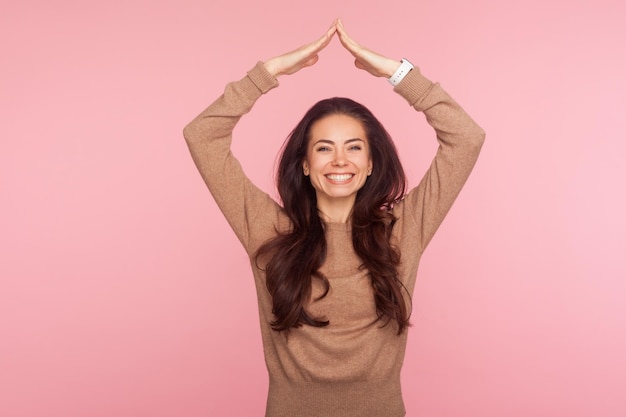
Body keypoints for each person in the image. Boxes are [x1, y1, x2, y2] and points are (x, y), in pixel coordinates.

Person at [183, 19, 484, 417]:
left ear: (371, 162)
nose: (340, 160)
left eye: (354, 147)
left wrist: (398, 74)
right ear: (305, 165)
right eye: (324, 149)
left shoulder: (402, 230)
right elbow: (202, 134)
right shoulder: (269, 230)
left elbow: (466, 136)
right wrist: (268, 73)